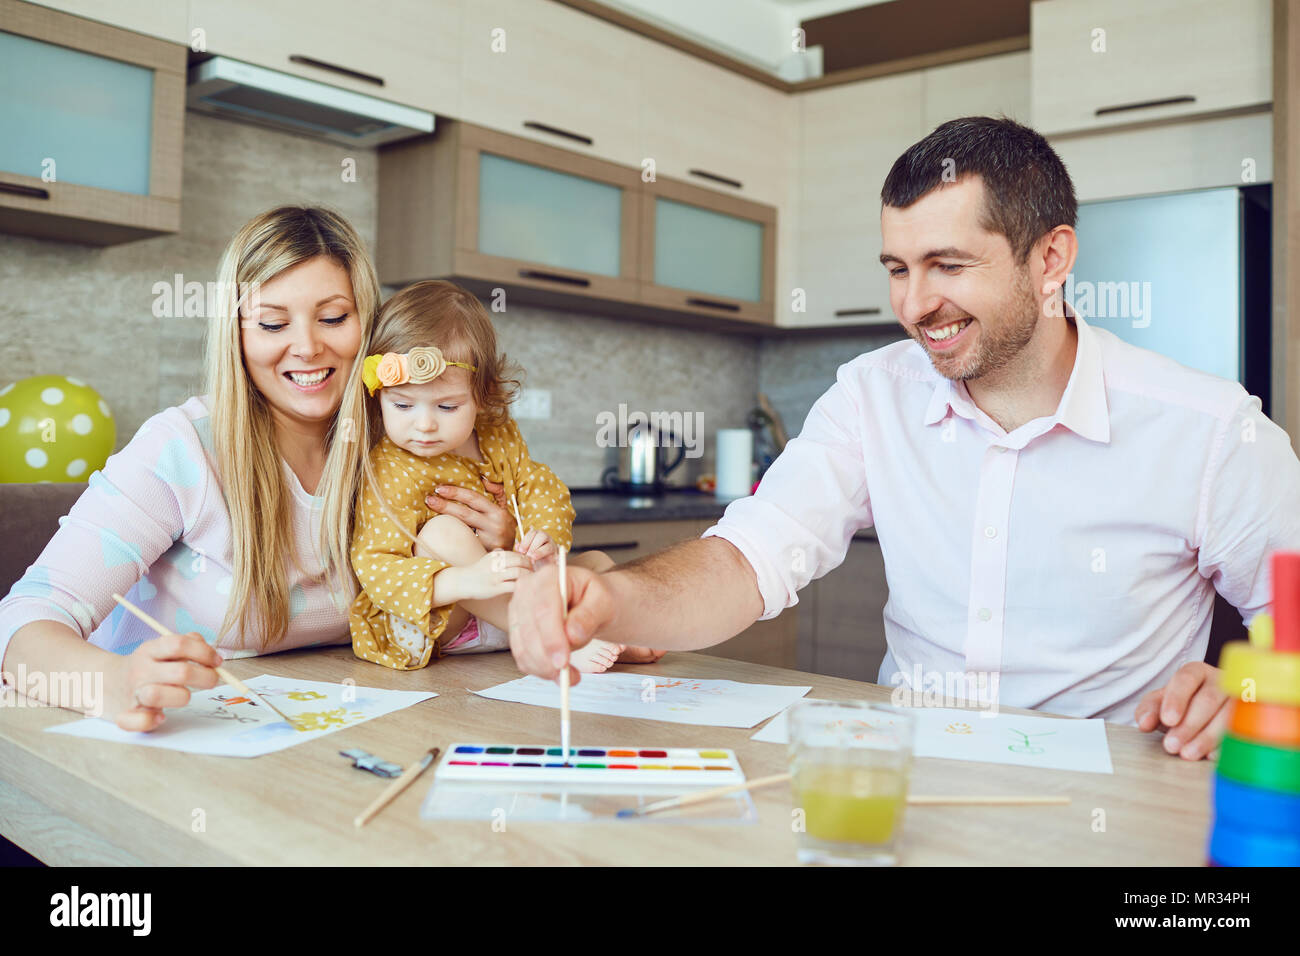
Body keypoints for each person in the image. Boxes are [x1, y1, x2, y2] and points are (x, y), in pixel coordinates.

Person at [504, 116, 1300, 761]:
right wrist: (612, 599)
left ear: (1051, 258)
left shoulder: (1208, 430)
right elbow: (747, 560)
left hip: (1110, 801)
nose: (917, 305)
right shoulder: (870, 394)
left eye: (948, 265)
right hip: (906, 782)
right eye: (897, 267)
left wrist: (1252, 689)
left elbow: (1292, 630)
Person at [0, 205, 382, 731]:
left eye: (334, 318)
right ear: (238, 335)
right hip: (151, 743)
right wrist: (110, 682)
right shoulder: (181, 447)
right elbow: (23, 621)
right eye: (272, 322)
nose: (308, 346)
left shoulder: (398, 449)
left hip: (323, 733)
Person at [348, 279, 661, 671]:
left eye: (447, 407)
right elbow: (375, 566)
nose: (423, 425)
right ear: (378, 394)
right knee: (442, 532)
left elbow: (539, 488)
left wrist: (543, 539)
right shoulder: (388, 464)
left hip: (504, 601)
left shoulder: (497, 433)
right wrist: (467, 581)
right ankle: (552, 639)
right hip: (438, 620)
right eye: (403, 404)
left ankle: (617, 631)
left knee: (595, 563)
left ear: (483, 395)